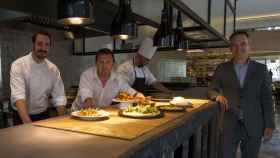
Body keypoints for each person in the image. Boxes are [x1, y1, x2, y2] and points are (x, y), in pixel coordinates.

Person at [208, 31, 274, 158]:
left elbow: (267, 99)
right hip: (229, 122)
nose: (239, 48)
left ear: (249, 46)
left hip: (254, 123)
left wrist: (269, 124)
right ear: (230, 48)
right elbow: (212, 89)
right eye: (234, 45)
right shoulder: (222, 68)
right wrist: (217, 96)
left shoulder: (261, 69)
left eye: (243, 44)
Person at [10, 31, 67, 125]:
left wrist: (65, 122)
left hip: (43, 116)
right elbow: (18, 96)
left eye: (47, 45)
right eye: (40, 44)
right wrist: (28, 125)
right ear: (33, 45)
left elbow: (59, 97)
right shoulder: (18, 65)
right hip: (22, 116)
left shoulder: (53, 69)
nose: (43, 48)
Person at [71, 48, 144, 110]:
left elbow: (127, 89)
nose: (104, 66)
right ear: (96, 63)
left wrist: (137, 95)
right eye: (101, 62)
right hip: (78, 112)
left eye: (108, 62)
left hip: (101, 113)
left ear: (113, 64)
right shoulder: (86, 75)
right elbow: (87, 98)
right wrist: (90, 105)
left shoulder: (118, 78)